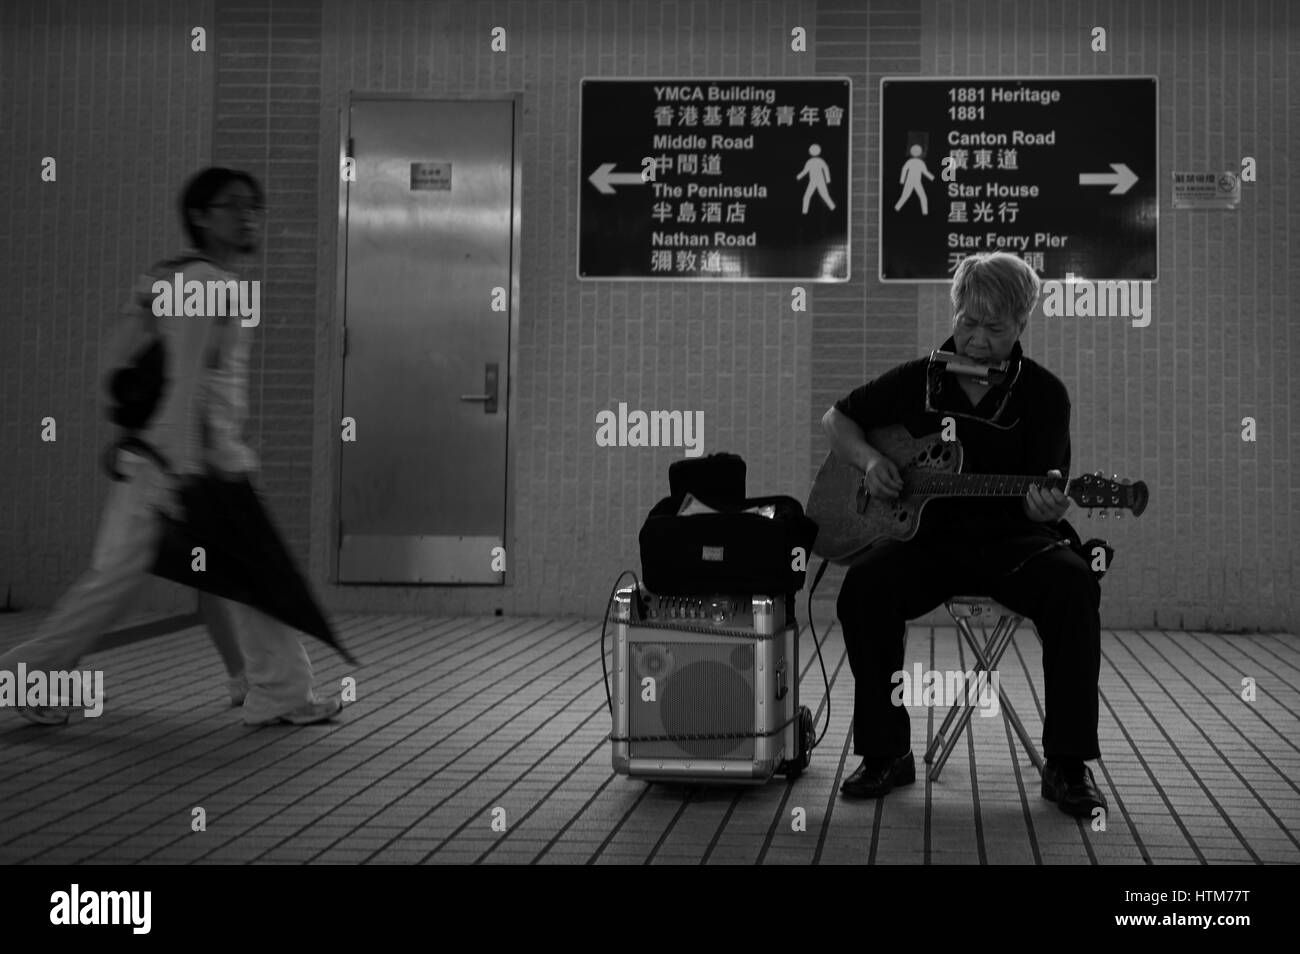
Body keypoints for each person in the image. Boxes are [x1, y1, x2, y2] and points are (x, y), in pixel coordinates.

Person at [3, 167, 342, 728]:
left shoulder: (184, 279)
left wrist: (140, 443)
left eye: (254, 206)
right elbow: (184, 382)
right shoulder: (205, 283)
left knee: (236, 576)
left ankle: (282, 690)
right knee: (123, 587)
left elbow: (138, 365)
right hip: (180, 470)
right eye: (232, 206)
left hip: (172, 462)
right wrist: (185, 471)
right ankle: (21, 678)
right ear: (200, 216)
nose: (248, 216)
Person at [822, 252, 1106, 818]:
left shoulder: (1045, 395)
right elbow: (838, 418)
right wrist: (871, 461)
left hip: (1012, 542)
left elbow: (1044, 497)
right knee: (864, 589)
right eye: (967, 323)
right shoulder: (918, 380)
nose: (977, 340)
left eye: (995, 328)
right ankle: (886, 753)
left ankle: (1068, 767)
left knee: (1075, 587)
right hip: (925, 540)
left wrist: (1044, 504)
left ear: (1022, 323)